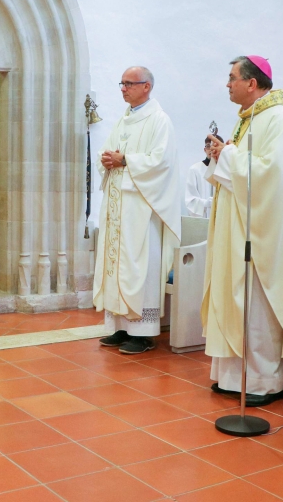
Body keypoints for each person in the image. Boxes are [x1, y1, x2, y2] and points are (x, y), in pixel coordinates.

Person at [202, 56, 283, 406]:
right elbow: (238, 168)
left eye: (232, 77)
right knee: (233, 299)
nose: (227, 84)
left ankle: (262, 381)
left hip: (261, 233)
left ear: (252, 83)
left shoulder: (279, 119)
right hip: (236, 226)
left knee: (255, 305)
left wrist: (228, 156)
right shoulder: (246, 120)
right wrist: (221, 154)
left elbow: (272, 175)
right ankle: (232, 377)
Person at [93, 66, 181, 355]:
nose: (123, 88)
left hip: (142, 210)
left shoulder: (159, 121)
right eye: (122, 83)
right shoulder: (124, 120)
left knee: (139, 265)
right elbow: (110, 151)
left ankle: (142, 333)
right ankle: (121, 326)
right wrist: (107, 159)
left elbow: (161, 163)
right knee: (118, 265)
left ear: (147, 87)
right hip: (119, 207)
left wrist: (125, 160)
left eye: (129, 83)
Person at [186, 135, 221, 218]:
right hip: (203, 219)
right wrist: (205, 203)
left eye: (215, 146)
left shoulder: (225, 171)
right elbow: (190, 201)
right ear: (205, 149)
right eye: (208, 146)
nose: (211, 149)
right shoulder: (195, 170)